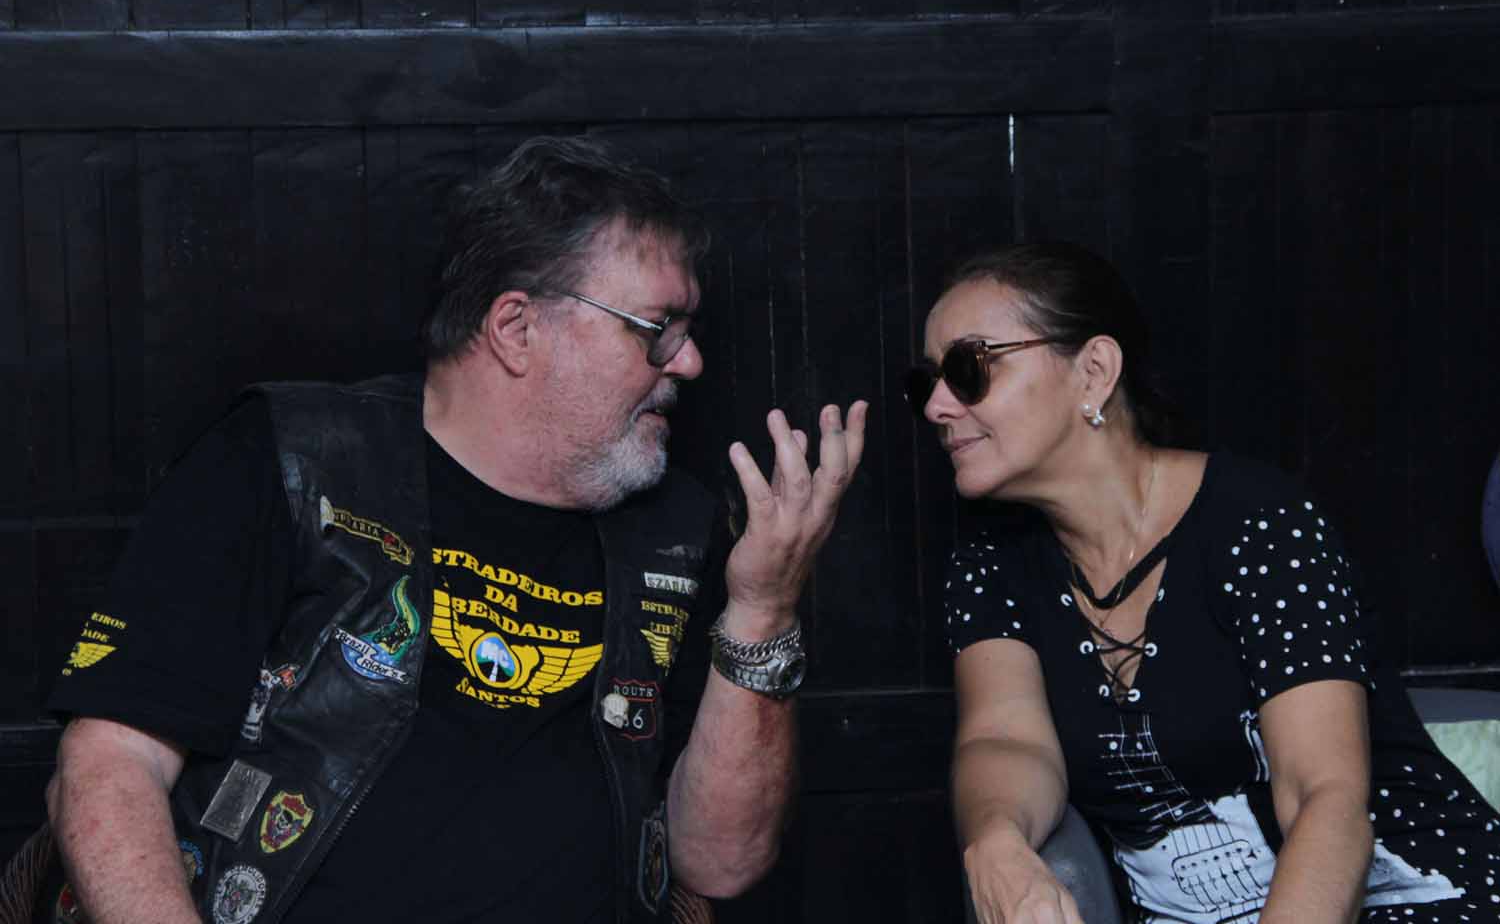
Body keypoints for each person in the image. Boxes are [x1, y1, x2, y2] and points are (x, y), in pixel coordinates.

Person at [38, 136, 868, 924]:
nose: (687, 362)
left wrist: (763, 611)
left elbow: (720, 862)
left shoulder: (677, 532)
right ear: (516, 329)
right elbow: (110, 763)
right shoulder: (289, 462)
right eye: (657, 330)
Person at [910, 241, 1499, 924]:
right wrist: (995, 840)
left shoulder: (1259, 521)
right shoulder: (990, 561)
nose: (937, 407)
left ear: (1093, 372)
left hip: (1413, 898)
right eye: (926, 382)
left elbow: (1325, 799)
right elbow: (1005, 739)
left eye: (969, 369)